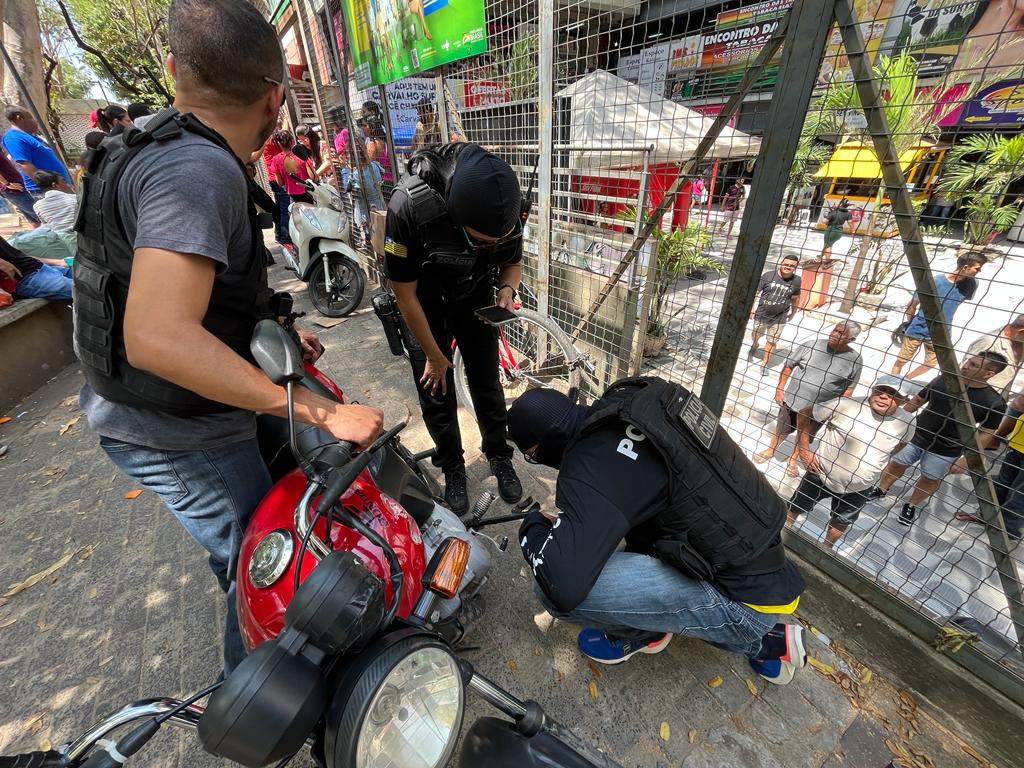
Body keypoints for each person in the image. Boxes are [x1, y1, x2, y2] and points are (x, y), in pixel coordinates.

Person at [73, 0, 383, 675]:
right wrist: (322, 410)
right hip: (174, 429)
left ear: (173, 68)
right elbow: (157, 335)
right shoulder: (197, 171)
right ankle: (255, 705)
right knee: (257, 562)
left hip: (160, 406)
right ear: (276, 99)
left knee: (279, 522)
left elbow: (173, 292)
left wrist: (266, 334)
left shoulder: (162, 140)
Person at [506, 380, 807, 683]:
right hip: (762, 551)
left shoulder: (586, 469)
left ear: (540, 446)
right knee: (599, 543)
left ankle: (766, 643)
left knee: (546, 590)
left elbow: (562, 586)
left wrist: (531, 527)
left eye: (532, 454)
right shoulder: (631, 399)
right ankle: (657, 624)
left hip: (748, 604)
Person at [384, 143, 524, 513]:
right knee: (436, 387)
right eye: (483, 241)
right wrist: (433, 354)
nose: (494, 246)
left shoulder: (503, 201)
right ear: (455, 218)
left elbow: (512, 262)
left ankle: (499, 454)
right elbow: (405, 295)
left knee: (486, 382)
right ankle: (452, 467)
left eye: (499, 238)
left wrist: (507, 290)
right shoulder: (407, 207)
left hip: (474, 297)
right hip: (423, 305)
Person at [873, 352, 1008, 527]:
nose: (966, 365)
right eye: (968, 361)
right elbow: (919, 399)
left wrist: (967, 459)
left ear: (989, 373)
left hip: (948, 448)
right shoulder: (944, 379)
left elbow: (987, 433)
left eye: (974, 365)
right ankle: (881, 489)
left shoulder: (994, 402)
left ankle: (911, 505)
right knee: (896, 464)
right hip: (916, 435)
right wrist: (898, 424)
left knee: (929, 478)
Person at [789, 375, 914, 548]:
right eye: (881, 390)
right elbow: (804, 413)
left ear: (903, 401)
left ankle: (825, 549)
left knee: (840, 522)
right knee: (794, 509)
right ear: (872, 390)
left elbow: (899, 446)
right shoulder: (845, 404)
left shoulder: (908, 422)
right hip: (819, 475)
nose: (884, 396)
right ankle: (781, 536)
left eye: (893, 394)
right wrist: (804, 450)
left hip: (860, 488)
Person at [755, 322, 863, 477]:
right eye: (835, 330)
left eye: (841, 333)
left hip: (819, 410)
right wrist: (780, 388)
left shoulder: (855, 359)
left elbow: (849, 388)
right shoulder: (811, 345)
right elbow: (788, 366)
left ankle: (792, 459)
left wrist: (837, 409)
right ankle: (770, 450)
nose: (834, 334)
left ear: (851, 339)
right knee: (782, 428)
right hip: (793, 401)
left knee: (804, 435)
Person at [891, 254, 986, 380]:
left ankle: (905, 380)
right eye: (977, 268)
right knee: (901, 360)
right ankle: (892, 382)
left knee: (931, 363)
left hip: (941, 332)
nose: (979, 271)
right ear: (966, 267)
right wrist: (910, 323)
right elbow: (912, 305)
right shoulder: (935, 282)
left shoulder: (972, 284)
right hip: (918, 328)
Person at [957, 391, 1024, 540]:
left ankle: (1008, 531)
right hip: (1018, 445)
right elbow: (1019, 403)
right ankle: (986, 515)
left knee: (1019, 495)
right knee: (1003, 483)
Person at [750, 253, 802, 375]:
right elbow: (755, 293)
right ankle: (755, 344)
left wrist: (793, 312)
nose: (788, 267)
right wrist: (751, 309)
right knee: (755, 334)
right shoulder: (768, 275)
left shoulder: (797, 280)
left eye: (791, 266)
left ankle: (765, 364)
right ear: (781, 264)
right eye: (786, 264)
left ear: (795, 267)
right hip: (762, 314)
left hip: (780, 317)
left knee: (772, 341)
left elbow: (795, 298)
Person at [2, 106, 72, 194]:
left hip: (59, 185)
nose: (35, 121)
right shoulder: (13, 138)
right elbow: (25, 165)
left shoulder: (28, 135)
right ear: (20, 118)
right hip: (48, 190)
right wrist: (52, 187)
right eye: (31, 118)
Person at [965, 315, 1024, 399]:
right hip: (976, 399)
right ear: (1021, 332)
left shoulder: (1019, 340)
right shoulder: (989, 342)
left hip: (997, 399)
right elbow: (965, 371)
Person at [0, 234, 73, 301]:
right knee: (82, 290)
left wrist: (58, 262)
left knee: (83, 277)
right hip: (24, 278)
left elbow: (15, 255)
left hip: (41, 268)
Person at [269, 129, 316, 205]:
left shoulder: (275, 160)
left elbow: (280, 183)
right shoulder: (300, 154)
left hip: (293, 196)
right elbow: (313, 177)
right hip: (308, 193)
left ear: (279, 144)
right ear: (292, 141)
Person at [0, 148, 40, 225]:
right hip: (13, 189)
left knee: (34, 220)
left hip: (16, 185)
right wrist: (7, 184)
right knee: (40, 216)